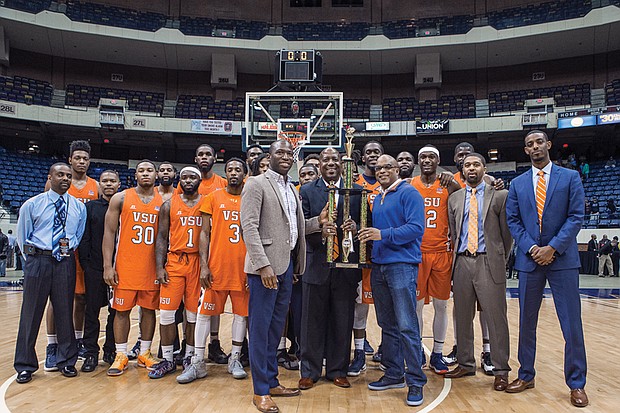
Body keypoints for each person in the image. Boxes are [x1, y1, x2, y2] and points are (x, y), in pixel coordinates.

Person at [506, 130, 588, 408]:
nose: (535, 147)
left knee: (571, 325)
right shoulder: (517, 184)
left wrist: (552, 247)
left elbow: (576, 216)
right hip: (530, 261)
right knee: (527, 323)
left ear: (548, 145)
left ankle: (577, 384)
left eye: (539, 142)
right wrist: (532, 248)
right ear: (525, 151)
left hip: (562, 260)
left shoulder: (570, 177)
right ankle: (526, 374)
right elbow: (513, 221)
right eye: (529, 144)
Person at [240, 140, 309, 413]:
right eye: (280, 152)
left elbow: (290, 229)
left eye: (289, 153)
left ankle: (271, 381)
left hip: (287, 267)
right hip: (265, 271)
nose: (286, 156)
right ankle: (260, 391)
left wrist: (319, 223)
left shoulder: (290, 187)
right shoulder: (256, 184)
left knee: (273, 331)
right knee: (260, 330)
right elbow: (249, 226)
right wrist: (263, 265)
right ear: (269, 156)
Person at [357, 154, 426, 406]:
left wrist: (381, 234)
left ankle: (416, 381)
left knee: (407, 324)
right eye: (378, 168)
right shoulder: (379, 196)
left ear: (398, 169)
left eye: (387, 166)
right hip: (380, 267)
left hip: (402, 266)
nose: (381, 170)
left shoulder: (409, 194)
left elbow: (417, 228)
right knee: (388, 323)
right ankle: (395, 373)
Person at [444, 153, 513, 393]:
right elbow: (454, 233)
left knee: (496, 317)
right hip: (462, 261)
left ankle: (501, 369)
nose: (471, 168)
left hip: (487, 260)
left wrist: (497, 257)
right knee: (462, 316)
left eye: (475, 164)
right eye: (466, 165)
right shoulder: (454, 199)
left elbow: (507, 236)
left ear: (484, 168)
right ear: (461, 171)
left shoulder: (500, 196)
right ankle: (465, 363)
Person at [177, 159, 249, 384]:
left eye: (238, 169)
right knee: (204, 314)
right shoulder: (213, 198)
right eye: (229, 170)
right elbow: (204, 233)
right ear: (225, 174)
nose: (234, 173)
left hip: (243, 268)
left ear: (245, 174)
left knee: (241, 315)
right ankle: (197, 360)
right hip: (216, 268)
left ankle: (235, 358)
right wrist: (205, 265)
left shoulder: (251, 198)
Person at [14, 163, 87, 384]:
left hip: (64, 261)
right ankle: (25, 365)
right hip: (38, 260)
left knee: (65, 311)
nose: (65, 178)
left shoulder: (77, 207)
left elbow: (78, 234)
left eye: (68, 175)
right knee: (31, 313)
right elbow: (22, 235)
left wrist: (64, 251)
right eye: (60, 175)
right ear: (50, 177)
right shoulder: (33, 204)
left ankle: (66, 361)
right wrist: (34, 261)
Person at [298, 148, 363, 390]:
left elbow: (366, 225)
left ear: (342, 163)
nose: (331, 163)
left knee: (342, 320)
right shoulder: (306, 191)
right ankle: (310, 371)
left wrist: (355, 227)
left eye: (335, 159)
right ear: (319, 165)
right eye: (326, 160)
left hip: (346, 267)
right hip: (316, 264)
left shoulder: (356, 191)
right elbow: (300, 228)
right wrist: (319, 230)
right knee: (311, 322)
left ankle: (338, 369)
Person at [102, 160, 163, 376]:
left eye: (149, 170)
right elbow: (109, 233)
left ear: (156, 175)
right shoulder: (121, 198)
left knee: (148, 311)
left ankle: (145, 353)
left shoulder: (164, 200)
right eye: (141, 170)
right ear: (135, 174)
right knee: (121, 311)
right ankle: (121, 354)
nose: (145, 174)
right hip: (125, 266)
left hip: (152, 267)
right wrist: (107, 266)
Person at [44, 140, 100, 369]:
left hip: (82, 251)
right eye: (77, 158)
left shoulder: (95, 186)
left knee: (81, 299)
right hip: (59, 248)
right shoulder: (54, 183)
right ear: (70, 160)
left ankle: (77, 342)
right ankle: (52, 345)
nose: (81, 162)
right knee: (55, 300)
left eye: (85, 158)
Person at [173, 144, 229, 365]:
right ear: (195, 158)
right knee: (187, 305)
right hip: (187, 250)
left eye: (208, 154)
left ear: (215, 157)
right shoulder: (185, 182)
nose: (205, 157)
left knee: (211, 301)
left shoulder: (222, 184)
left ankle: (214, 342)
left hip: (215, 248)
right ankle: (183, 348)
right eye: (201, 154)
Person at [410, 145, 461, 374]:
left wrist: (455, 182)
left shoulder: (448, 184)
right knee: (417, 307)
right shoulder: (411, 185)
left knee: (442, 305)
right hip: (417, 253)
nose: (427, 160)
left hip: (442, 252)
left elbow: (463, 197)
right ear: (418, 161)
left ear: (438, 160)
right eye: (423, 157)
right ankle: (419, 349)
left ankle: (438, 353)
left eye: (431, 156)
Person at [150, 166, 203, 379]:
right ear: (179, 180)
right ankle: (169, 359)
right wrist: (159, 267)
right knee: (166, 313)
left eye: (193, 177)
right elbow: (161, 237)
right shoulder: (169, 204)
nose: (188, 180)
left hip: (197, 262)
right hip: (175, 261)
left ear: (199, 180)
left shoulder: (207, 203)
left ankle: (189, 355)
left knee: (192, 315)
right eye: (185, 177)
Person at [79, 170, 121, 372]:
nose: (108, 184)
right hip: (94, 267)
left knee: (116, 312)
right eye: (104, 181)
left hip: (120, 269)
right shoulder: (90, 208)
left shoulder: (124, 207)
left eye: (112, 181)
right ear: (99, 185)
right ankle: (90, 353)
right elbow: (84, 237)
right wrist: (86, 264)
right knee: (92, 312)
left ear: (119, 184)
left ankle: (111, 350)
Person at [351, 140, 384, 371]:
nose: (373, 156)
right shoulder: (355, 184)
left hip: (385, 254)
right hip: (360, 255)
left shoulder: (391, 184)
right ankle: (360, 352)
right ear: (362, 158)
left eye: (377, 152)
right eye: (369, 152)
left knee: (385, 307)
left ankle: (387, 349)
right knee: (359, 306)